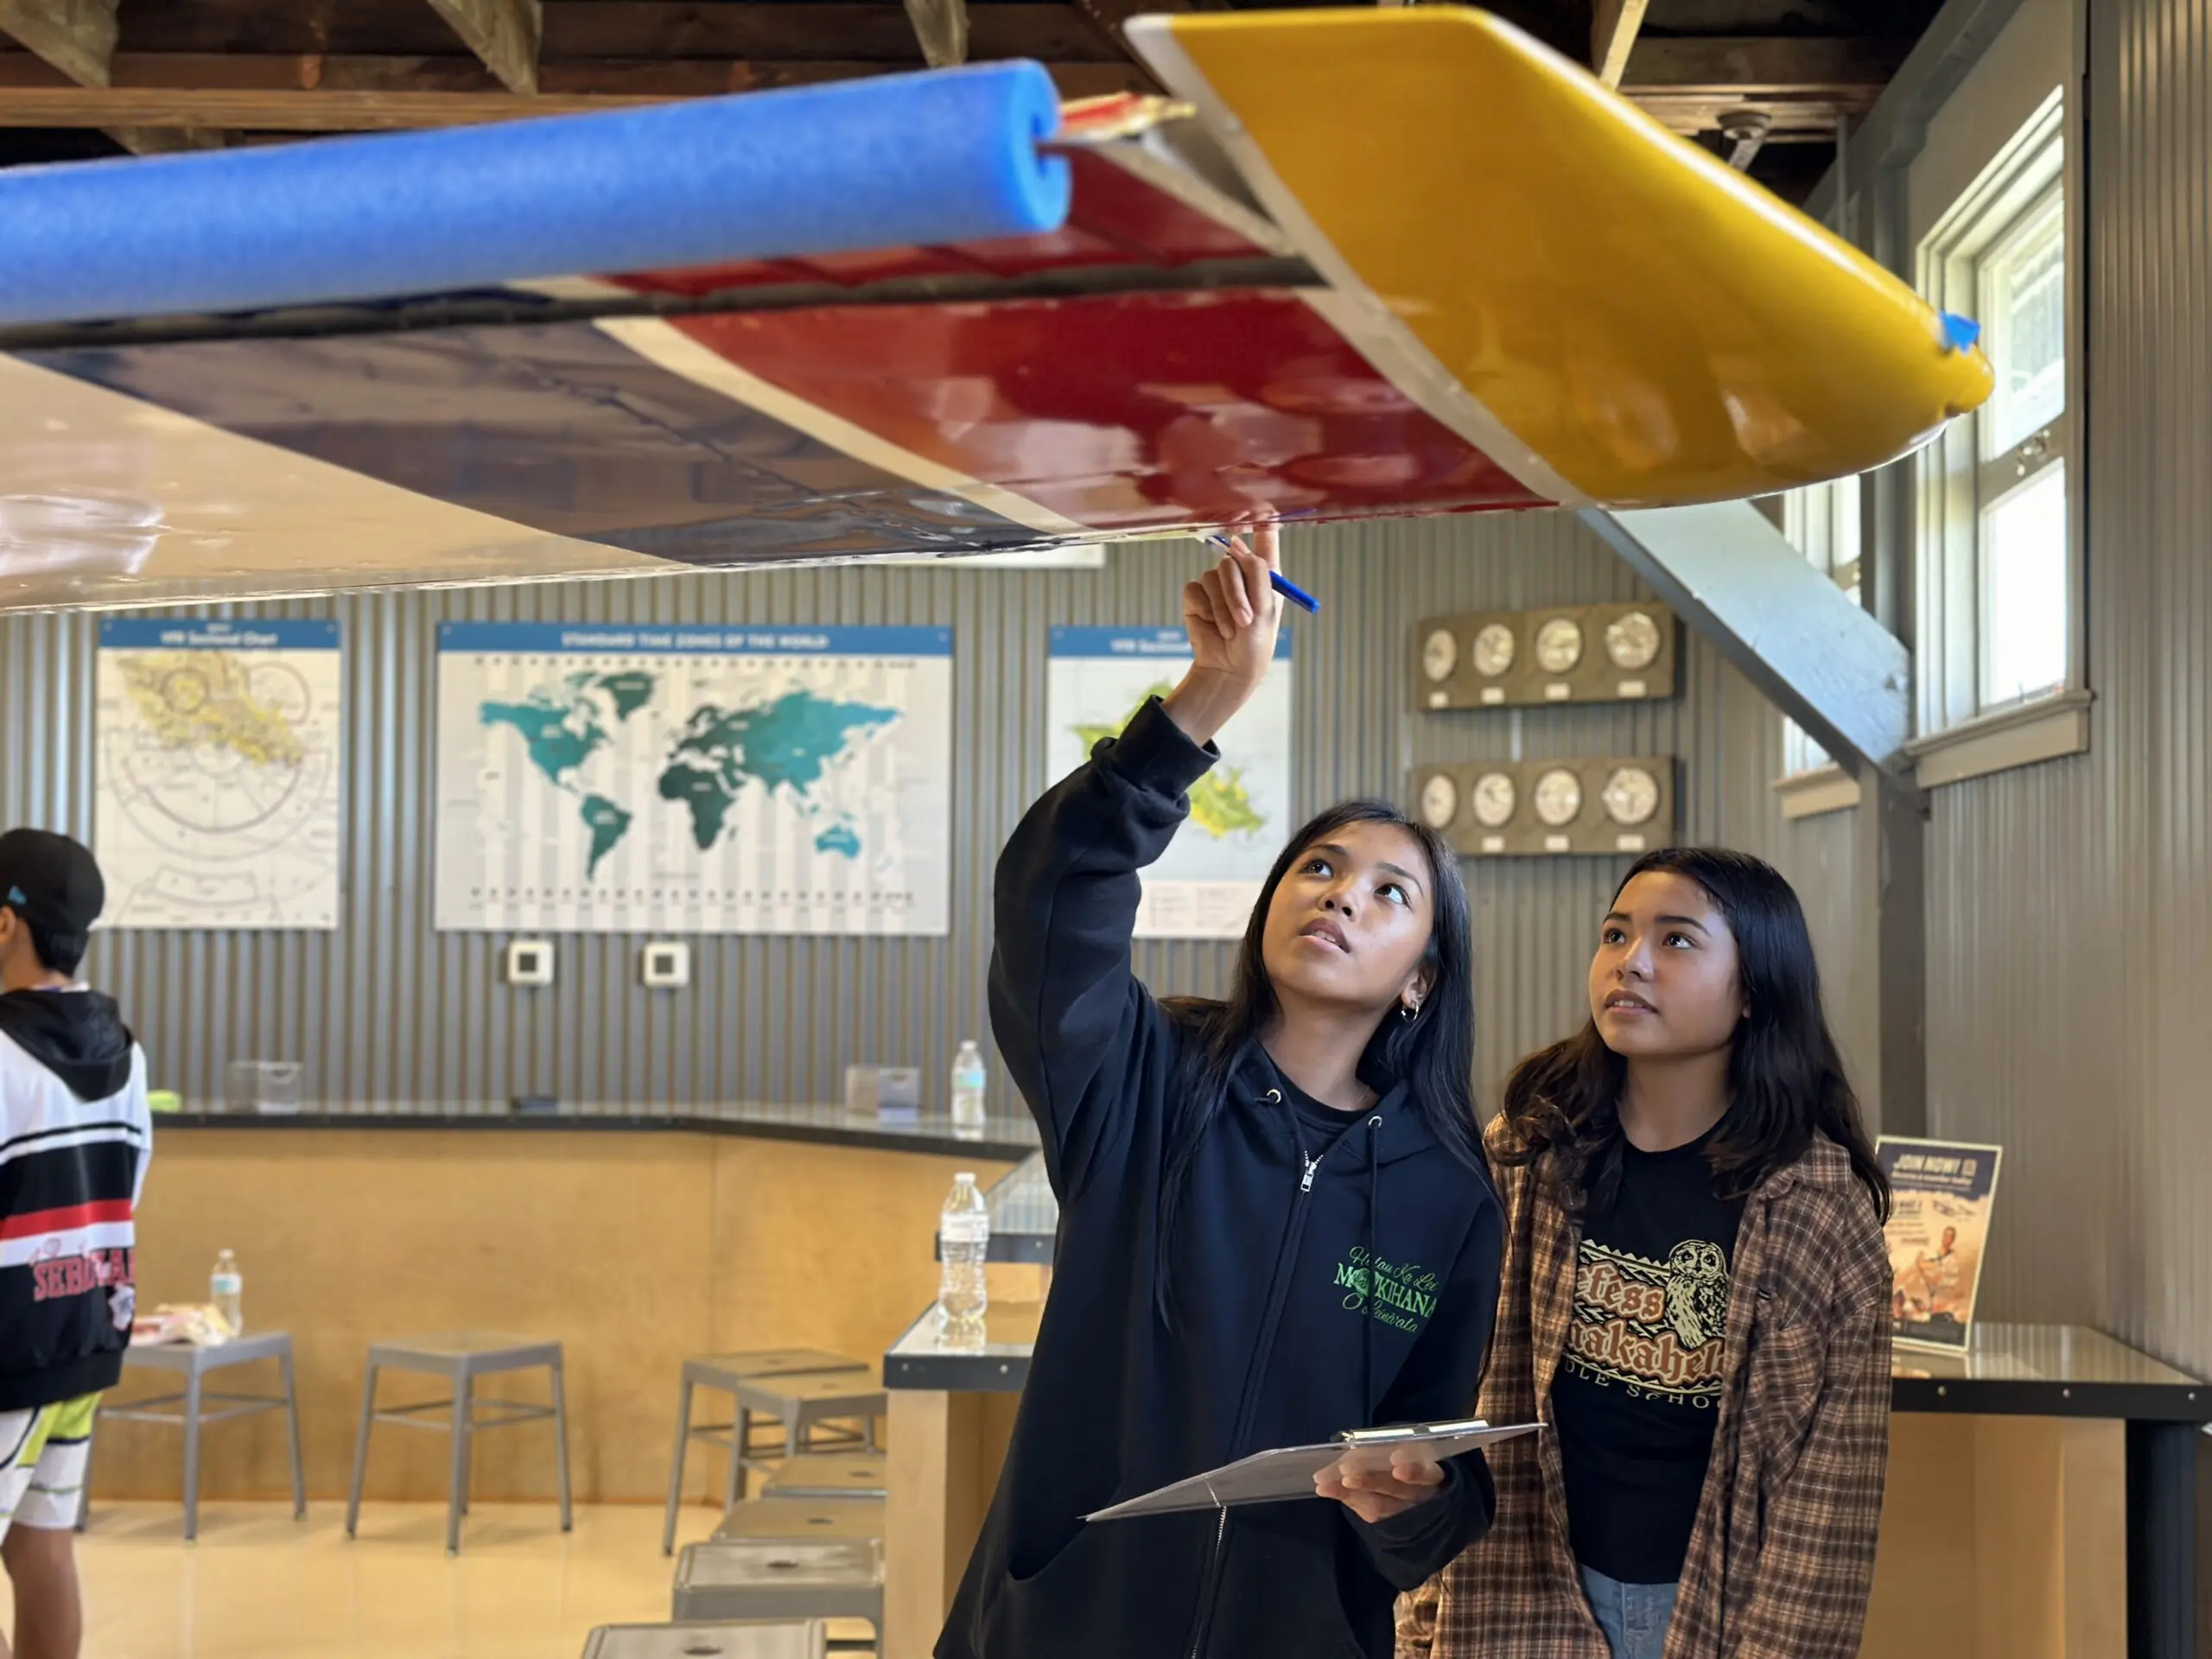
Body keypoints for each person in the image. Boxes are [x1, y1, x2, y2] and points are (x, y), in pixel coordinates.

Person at [940, 526, 1503, 1659]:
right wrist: (1206, 698)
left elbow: (1435, 1497)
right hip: (1066, 1625)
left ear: (1421, 983)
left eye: (1390, 893)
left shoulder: (1449, 1194)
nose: (1341, 895)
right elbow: (1049, 905)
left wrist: (1412, 1505)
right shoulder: (1144, 1079)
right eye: (1321, 867)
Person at [1402, 848, 1892, 1659]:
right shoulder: (1529, 1155)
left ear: (1754, 991)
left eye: (1677, 941)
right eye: (1616, 934)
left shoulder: (1815, 1208)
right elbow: (1454, 1394)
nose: (1630, 962)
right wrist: (1424, 1615)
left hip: (1717, 1607)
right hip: (1524, 1589)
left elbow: (1829, 1498)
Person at [0, 830, 152, 1659]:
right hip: (84, 1334)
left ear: (3, 927)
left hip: (7, 1350)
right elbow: (125, 1195)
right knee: (40, 1545)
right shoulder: (126, 1054)